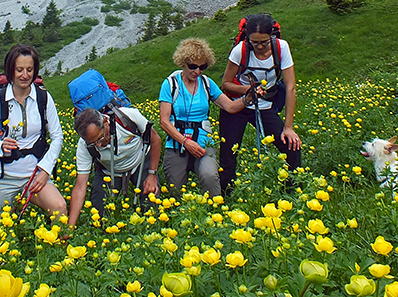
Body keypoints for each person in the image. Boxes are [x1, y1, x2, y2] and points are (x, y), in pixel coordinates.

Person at [219, 14, 302, 193]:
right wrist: (248, 90)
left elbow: (290, 87)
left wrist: (288, 127)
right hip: (237, 105)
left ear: (271, 36)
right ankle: (225, 198)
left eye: (263, 42)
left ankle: (292, 193)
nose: (259, 47)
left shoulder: (281, 48)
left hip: (264, 105)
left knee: (291, 146)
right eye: (254, 42)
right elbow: (226, 83)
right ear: (248, 39)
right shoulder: (240, 51)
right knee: (228, 155)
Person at [159, 38, 252, 198]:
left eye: (203, 67)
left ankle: (214, 211)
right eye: (193, 66)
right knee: (175, 189)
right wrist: (186, 142)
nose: (197, 71)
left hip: (203, 142)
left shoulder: (207, 83)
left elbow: (229, 106)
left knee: (210, 176)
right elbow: (164, 121)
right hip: (177, 143)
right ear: (183, 62)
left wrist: (247, 98)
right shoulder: (170, 84)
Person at [0, 44, 67, 218]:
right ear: (10, 71)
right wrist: (0, 146)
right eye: (19, 70)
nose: (25, 75)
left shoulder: (43, 97)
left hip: (35, 175)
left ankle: (59, 245)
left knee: (59, 207)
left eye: (29, 70)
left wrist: (45, 171)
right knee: (1, 227)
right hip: (3, 177)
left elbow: (57, 136)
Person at [67, 107, 162, 226]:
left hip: (139, 162)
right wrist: (69, 228)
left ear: (106, 122)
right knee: (99, 218)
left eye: (100, 138)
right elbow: (80, 187)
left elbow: (156, 140)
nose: (99, 145)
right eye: (93, 143)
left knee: (152, 206)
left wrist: (152, 174)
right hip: (108, 172)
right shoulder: (84, 145)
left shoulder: (129, 117)